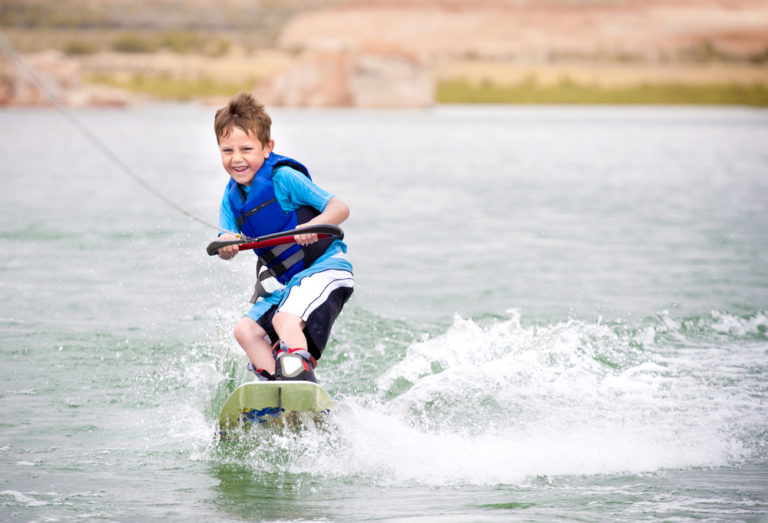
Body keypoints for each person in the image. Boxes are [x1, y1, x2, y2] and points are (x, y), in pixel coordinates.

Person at [213, 92, 353, 382]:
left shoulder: (283, 177)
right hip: (289, 284)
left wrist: (312, 226)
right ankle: (278, 388)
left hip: (326, 269)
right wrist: (227, 247)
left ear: (267, 148)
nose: (237, 159)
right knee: (245, 331)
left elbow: (340, 207)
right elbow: (226, 236)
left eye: (246, 149)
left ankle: (300, 383)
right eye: (227, 151)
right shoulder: (231, 199)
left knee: (283, 319)